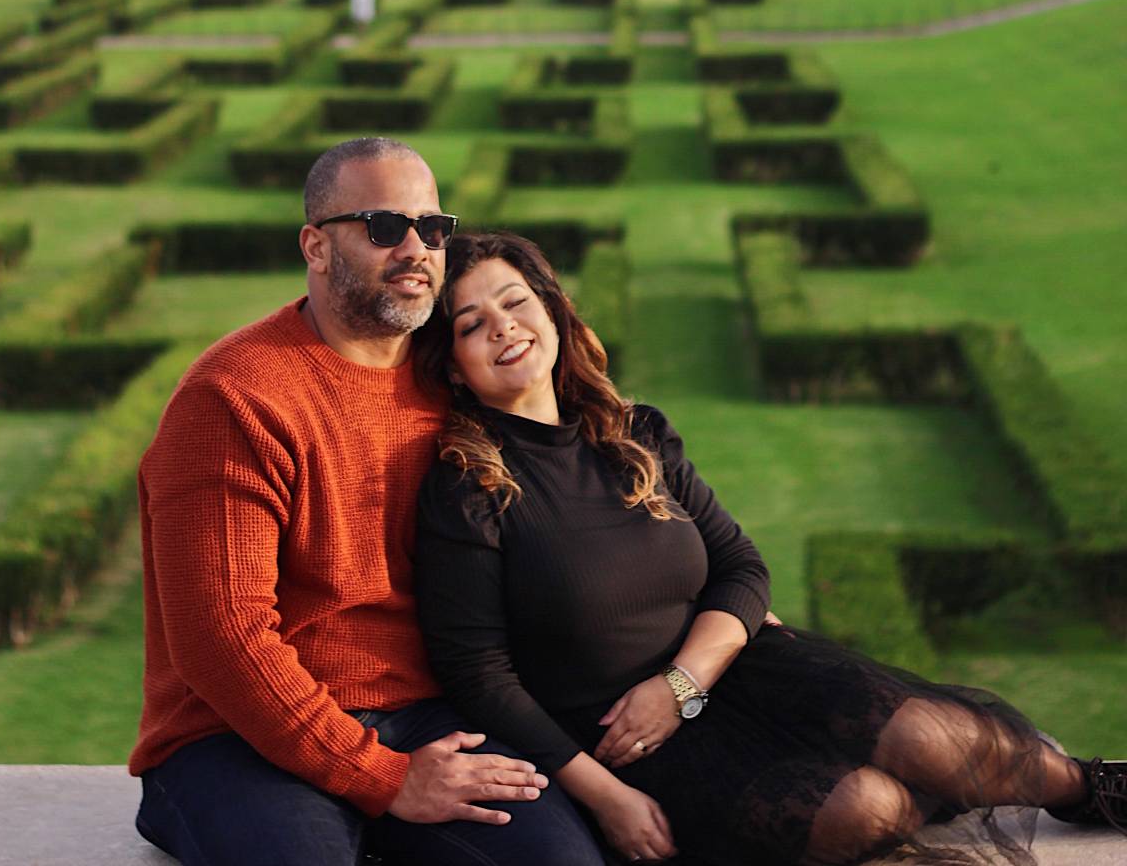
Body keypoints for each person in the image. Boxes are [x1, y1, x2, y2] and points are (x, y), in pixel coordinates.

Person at [414, 231, 1127, 866]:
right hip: (622, 740)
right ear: (453, 366)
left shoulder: (635, 433)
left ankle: (1092, 789)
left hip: (735, 671)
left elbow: (740, 568)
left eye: (516, 303)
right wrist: (605, 797)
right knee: (866, 809)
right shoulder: (467, 487)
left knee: (934, 736)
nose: (504, 329)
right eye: (473, 325)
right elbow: (479, 676)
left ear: (552, 309)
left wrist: (681, 685)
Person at [129, 141, 606, 866]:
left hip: (427, 716)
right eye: (385, 226)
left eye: (433, 227)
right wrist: (381, 777)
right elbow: (221, 638)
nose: (417, 248)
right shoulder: (234, 396)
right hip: (233, 737)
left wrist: (719, 609)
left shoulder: (453, 376)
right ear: (315, 246)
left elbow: (585, 487)